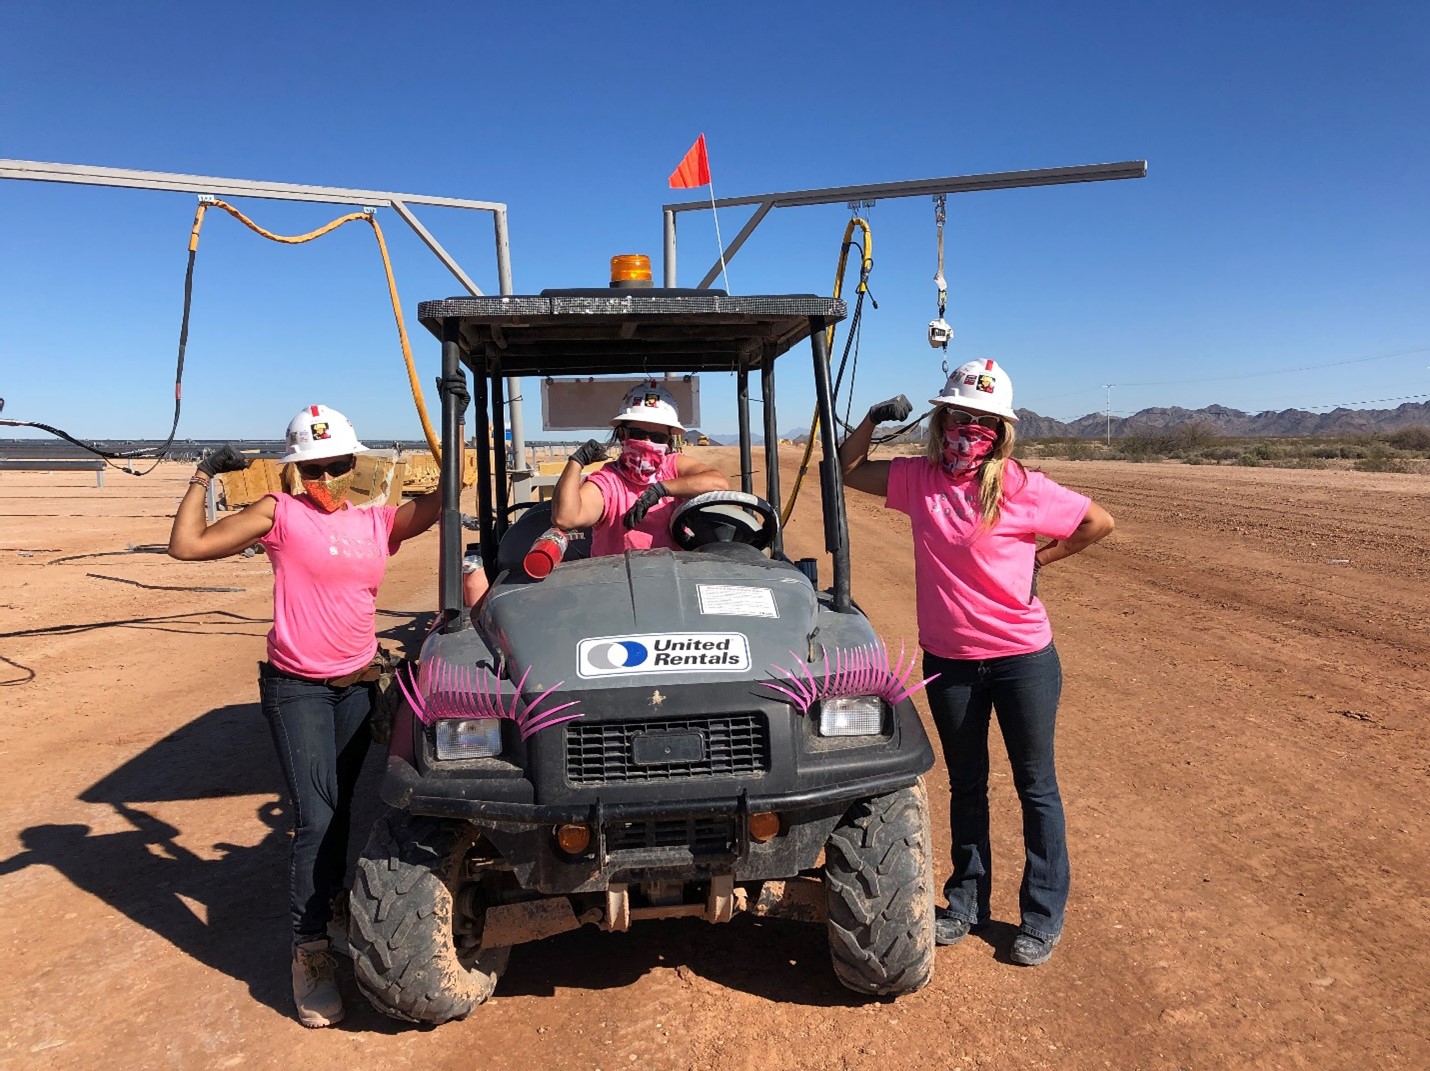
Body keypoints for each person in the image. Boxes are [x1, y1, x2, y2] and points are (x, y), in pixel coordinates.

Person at [168, 403, 444, 1026]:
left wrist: (450, 454)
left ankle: (339, 911)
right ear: (296, 469)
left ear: (354, 464)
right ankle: (309, 950)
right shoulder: (278, 513)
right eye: (314, 465)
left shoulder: (376, 523)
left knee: (345, 808)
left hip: (357, 685)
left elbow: (440, 504)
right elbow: (186, 547)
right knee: (315, 817)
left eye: (338, 463)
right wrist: (201, 477)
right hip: (297, 687)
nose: (327, 475)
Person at [840, 359, 1114, 967]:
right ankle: (966, 903)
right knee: (966, 785)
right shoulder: (918, 480)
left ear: (1001, 431)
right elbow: (846, 468)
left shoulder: (1023, 486)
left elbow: (1098, 521)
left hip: (1023, 660)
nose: (970, 430)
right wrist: (873, 417)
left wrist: (1044, 560)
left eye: (984, 422)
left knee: (1035, 786)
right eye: (961, 417)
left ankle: (1042, 916)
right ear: (941, 421)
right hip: (952, 661)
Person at [551, 383, 729, 553]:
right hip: (618, 579)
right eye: (638, 434)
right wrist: (576, 462)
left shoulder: (674, 467)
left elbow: (718, 484)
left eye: (657, 438)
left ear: (668, 442)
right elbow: (565, 518)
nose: (647, 443)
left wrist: (662, 489)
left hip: (675, 578)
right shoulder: (608, 482)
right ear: (622, 435)